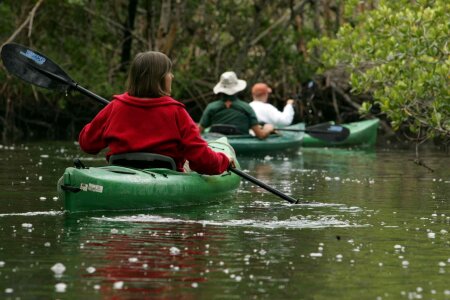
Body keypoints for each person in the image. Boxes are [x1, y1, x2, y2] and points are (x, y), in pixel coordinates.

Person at [78, 51, 233, 175]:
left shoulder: (115, 107)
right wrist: (224, 161)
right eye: (169, 72)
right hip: (166, 177)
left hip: (122, 174)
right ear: (159, 79)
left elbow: (87, 144)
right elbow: (203, 161)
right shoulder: (177, 112)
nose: (172, 76)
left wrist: (102, 119)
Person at [198, 71, 274, 139]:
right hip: (242, 145)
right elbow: (260, 135)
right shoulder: (246, 108)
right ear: (237, 89)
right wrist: (268, 128)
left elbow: (198, 132)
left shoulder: (211, 107)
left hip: (216, 144)